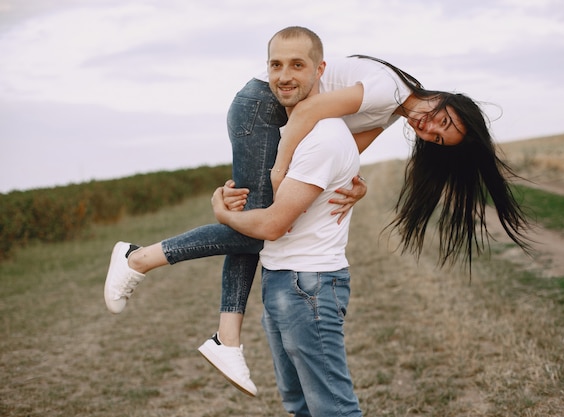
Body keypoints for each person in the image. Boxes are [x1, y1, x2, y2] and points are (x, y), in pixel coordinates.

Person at [104, 27, 531, 396]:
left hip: (271, 113)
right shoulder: (390, 90)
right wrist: (280, 171)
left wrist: (354, 187)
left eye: (438, 139)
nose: (430, 130)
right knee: (262, 226)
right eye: (444, 122)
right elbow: (307, 110)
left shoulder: (392, 105)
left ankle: (227, 337)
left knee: (261, 226)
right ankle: (140, 259)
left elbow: (348, 150)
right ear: (451, 100)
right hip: (263, 108)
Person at [211, 26, 362, 416]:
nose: (284, 76)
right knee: (300, 407)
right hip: (282, 279)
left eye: (297, 65)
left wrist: (224, 214)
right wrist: (235, 198)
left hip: (307, 286)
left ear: (319, 70)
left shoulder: (323, 137)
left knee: (332, 410)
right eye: (276, 65)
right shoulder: (292, 135)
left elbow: (273, 224)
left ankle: (138, 259)